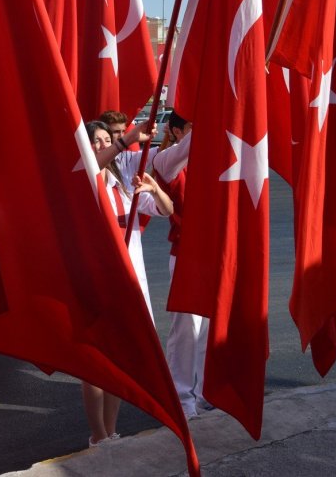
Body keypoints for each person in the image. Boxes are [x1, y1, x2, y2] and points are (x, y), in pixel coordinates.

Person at [81, 120, 174, 448]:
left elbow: (167, 209)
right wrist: (128, 139)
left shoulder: (122, 186)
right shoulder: (83, 180)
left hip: (129, 286)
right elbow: (92, 165)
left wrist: (154, 189)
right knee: (96, 365)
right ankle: (97, 435)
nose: (102, 145)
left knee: (120, 363)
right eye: (96, 140)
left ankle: (111, 432)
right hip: (96, 284)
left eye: (107, 139)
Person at [151, 111, 210, 419]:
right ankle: (181, 398)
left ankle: (205, 395)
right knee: (187, 330)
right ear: (175, 132)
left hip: (213, 255)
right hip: (185, 255)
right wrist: (215, 112)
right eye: (191, 127)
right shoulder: (166, 160)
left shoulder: (213, 159)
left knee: (209, 330)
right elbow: (189, 147)